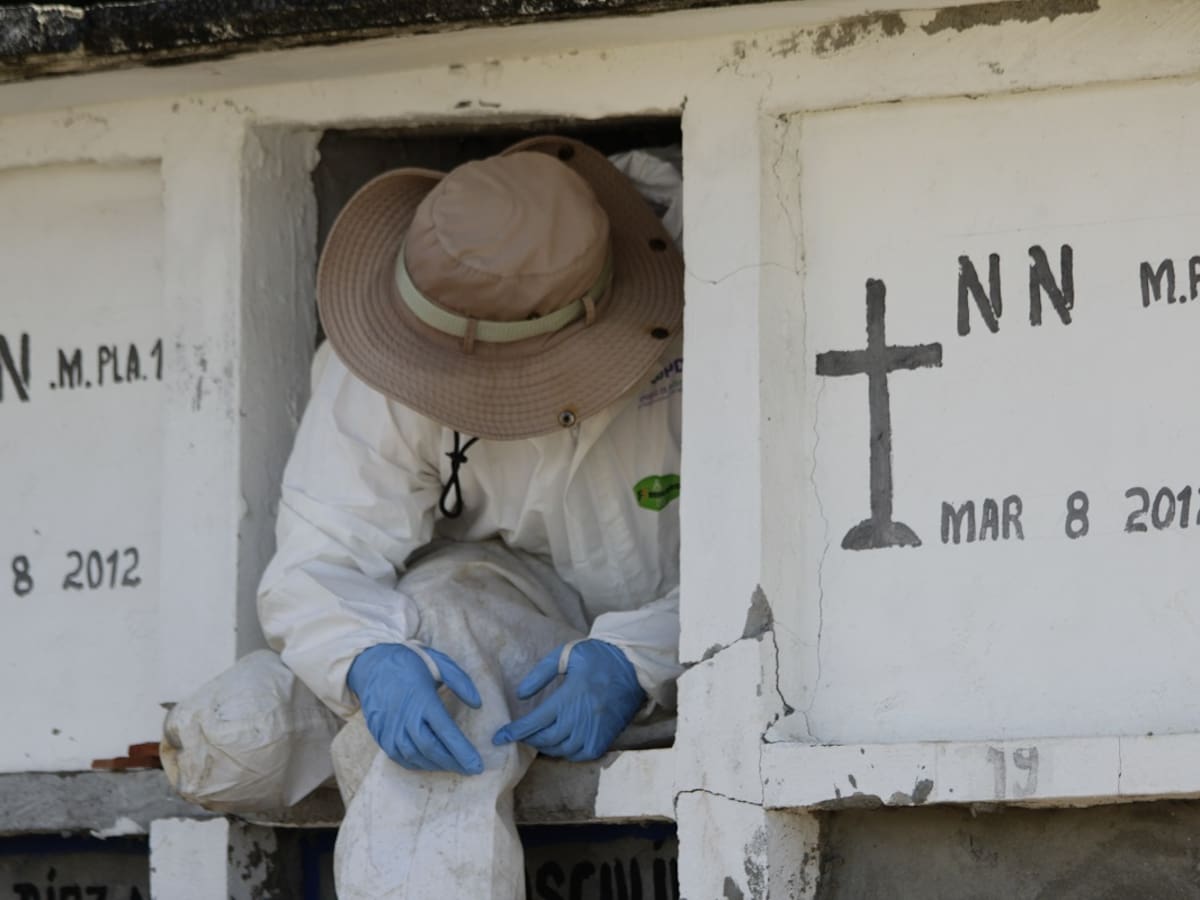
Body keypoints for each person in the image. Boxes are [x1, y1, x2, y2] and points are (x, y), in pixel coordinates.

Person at [161, 135, 684, 899]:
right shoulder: (391, 334)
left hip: (664, 618)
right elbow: (323, 553)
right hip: (490, 599)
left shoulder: (723, 293)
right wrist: (369, 661)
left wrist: (639, 659)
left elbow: (775, 574)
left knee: (417, 688)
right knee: (225, 737)